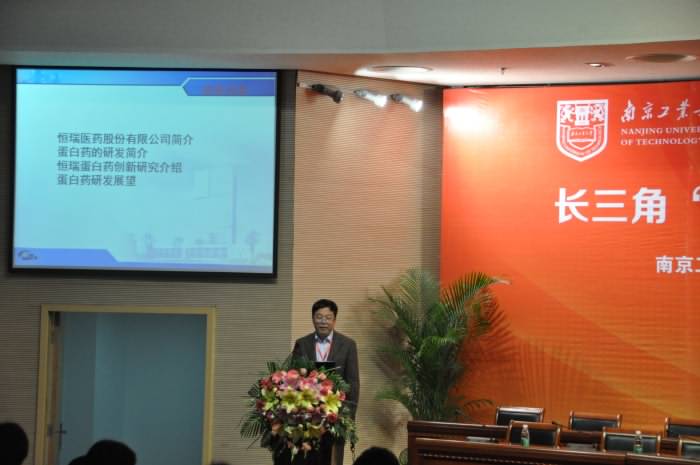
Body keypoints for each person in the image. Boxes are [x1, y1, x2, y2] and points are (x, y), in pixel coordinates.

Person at [293, 298, 360, 465]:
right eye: (319, 317)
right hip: (308, 418)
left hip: (336, 417)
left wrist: (348, 418)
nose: (323, 321)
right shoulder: (302, 344)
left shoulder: (348, 345)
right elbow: (293, 378)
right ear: (313, 318)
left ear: (334, 320)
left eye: (328, 317)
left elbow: (352, 382)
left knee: (333, 460)